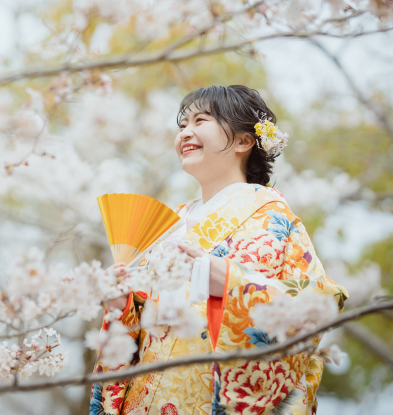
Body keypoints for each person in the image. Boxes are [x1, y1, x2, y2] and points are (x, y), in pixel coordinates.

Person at [89, 85, 348, 415]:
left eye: (201, 120)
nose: (186, 132)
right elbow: (140, 326)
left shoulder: (274, 218)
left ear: (243, 141)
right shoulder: (170, 224)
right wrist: (121, 305)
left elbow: (321, 303)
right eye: (182, 125)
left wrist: (230, 282)